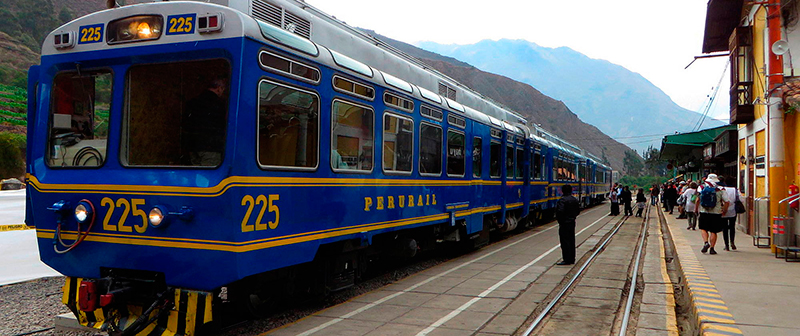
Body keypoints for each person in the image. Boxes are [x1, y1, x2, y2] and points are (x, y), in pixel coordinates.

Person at [183, 78, 228, 166]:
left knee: (196, 174)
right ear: (219, 88)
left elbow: (186, 123)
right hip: (210, 147)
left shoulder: (193, 102)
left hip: (193, 145)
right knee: (207, 177)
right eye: (223, 89)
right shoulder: (220, 104)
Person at [695, 174, 730, 255]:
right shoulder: (721, 189)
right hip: (716, 213)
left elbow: (697, 200)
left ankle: (706, 242)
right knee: (713, 231)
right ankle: (712, 248)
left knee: (703, 228)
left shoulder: (701, 188)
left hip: (704, 211)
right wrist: (724, 211)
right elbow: (727, 202)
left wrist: (696, 209)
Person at [556, 184, 581, 265]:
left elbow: (560, 212)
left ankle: (566, 259)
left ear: (563, 191)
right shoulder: (574, 200)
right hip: (572, 222)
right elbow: (578, 211)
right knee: (571, 240)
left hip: (564, 223)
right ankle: (572, 258)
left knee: (565, 242)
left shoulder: (562, 200)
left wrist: (560, 220)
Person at [718, 176, 739, 251]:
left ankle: (726, 245)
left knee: (725, 228)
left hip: (724, 210)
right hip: (733, 210)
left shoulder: (723, 189)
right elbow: (740, 199)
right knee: (732, 227)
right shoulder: (735, 190)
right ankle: (732, 242)